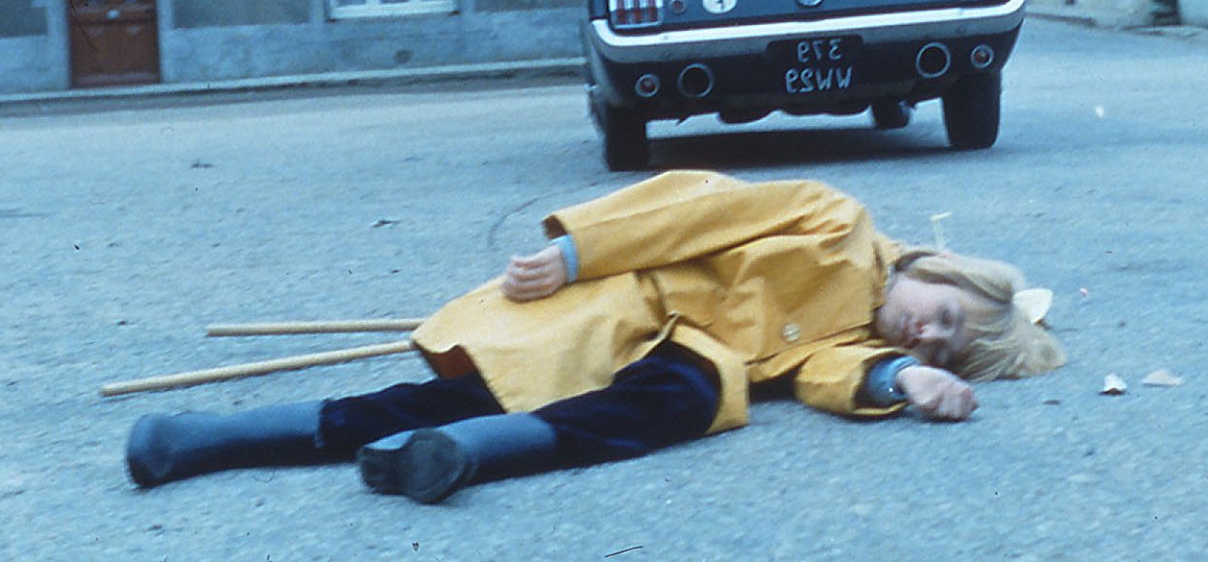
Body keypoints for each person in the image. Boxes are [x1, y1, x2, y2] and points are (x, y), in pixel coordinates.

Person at [126, 171, 1064, 504]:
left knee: (678, 403)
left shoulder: (863, 343)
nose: (925, 333)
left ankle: (459, 456)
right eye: (943, 315)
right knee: (460, 387)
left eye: (941, 349)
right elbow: (700, 212)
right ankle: (199, 439)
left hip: (693, 360)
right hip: (628, 304)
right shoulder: (837, 220)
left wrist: (902, 383)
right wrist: (577, 255)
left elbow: (828, 375)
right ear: (940, 266)